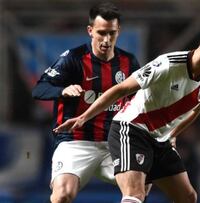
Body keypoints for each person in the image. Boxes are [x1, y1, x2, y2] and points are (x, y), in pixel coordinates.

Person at [54, 24, 200, 203]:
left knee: (188, 197)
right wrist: (84, 116)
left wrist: (172, 135)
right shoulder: (167, 65)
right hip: (131, 130)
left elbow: (196, 109)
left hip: (159, 140)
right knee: (135, 194)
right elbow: (121, 89)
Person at [32, 2, 151, 203]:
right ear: (90, 31)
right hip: (75, 141)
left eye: (111, 33)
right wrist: (62, 90)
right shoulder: (73, 59)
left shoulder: (129, 62)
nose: (106, 39)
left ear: (118, 31)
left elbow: (138, 101)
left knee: (143, 185)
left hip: (114, 143)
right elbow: (40, 89)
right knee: (62, 195)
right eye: (101, 32)